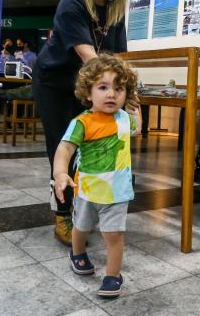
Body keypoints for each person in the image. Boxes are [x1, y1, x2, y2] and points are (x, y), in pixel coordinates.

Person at [33, 0, 137, 246]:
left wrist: (131, 98)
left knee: (92, 145)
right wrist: (114, 90)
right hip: (55, 81)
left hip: (87, 83)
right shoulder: (73, 2)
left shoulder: (115, 10)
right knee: (64, 144)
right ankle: (62, 214)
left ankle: (86, 207)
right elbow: (91, 60)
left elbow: (118, 60)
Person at [53, 54, 140, 298]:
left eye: (119, 88)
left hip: (118, 191)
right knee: (81, 226)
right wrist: (60, 173)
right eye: (103, 87)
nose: (111, 94)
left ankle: (113, 275)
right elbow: (65, 149)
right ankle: (77, 251)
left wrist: (135, 109)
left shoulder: (124, 118)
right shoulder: (82, 122)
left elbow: (137, 129)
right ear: (88, 92)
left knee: (114, 234)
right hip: (88, 189)